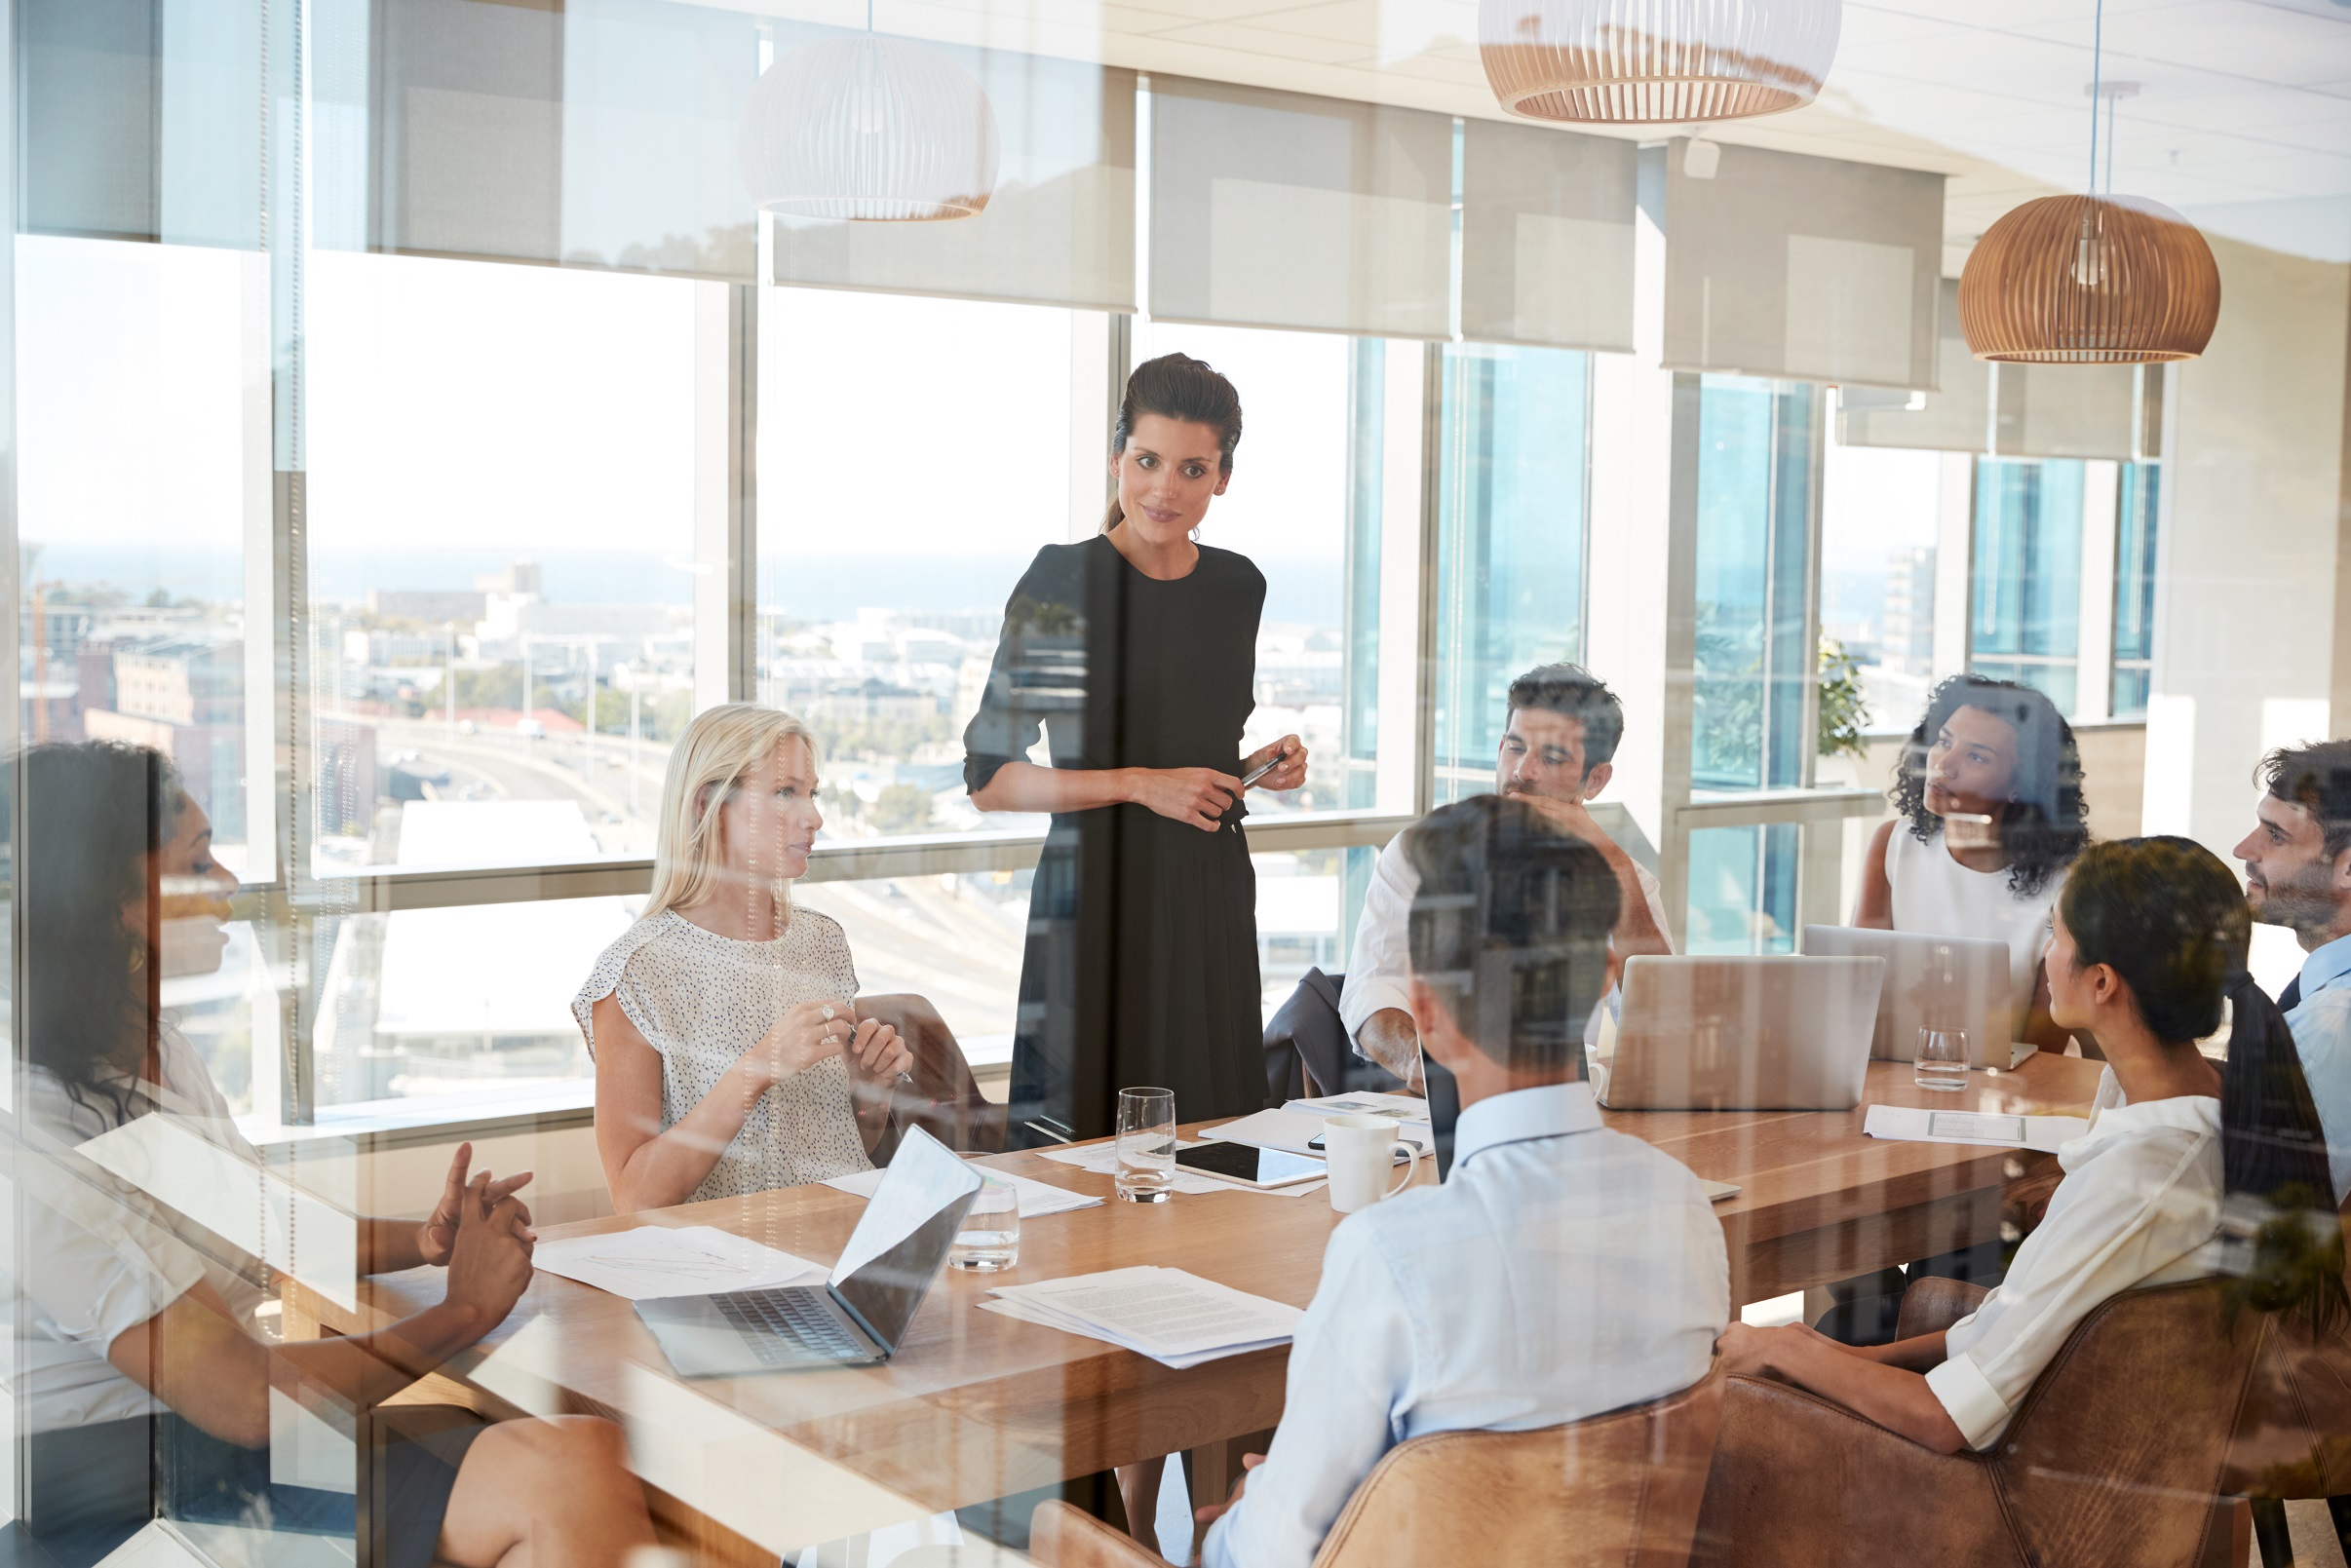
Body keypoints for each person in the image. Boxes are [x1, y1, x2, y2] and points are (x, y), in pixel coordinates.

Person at [10, 740, 657, 1567]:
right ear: (119, 906)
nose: (229, 887)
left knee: (576, 1455)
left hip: (220, 1454)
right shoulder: (37, 1129)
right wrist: (463, 1311)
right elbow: (243, 1397)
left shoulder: (150, 1053)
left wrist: (427, 1241)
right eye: (197, 861)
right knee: (566, 1475)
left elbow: (257, 1226)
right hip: (130, 1492)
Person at [1193, 795, 1730, 1568]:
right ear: (1607, 976)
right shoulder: (1684, 1210)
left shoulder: (1390, 1256)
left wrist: (1242, 1518)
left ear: (1425, 1014)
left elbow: (1270, 1555)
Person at [1718, 836, 2345, 1455]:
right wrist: (1832, 1353)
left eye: (2056, 935)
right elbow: (2010, 1324)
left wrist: (1783, 1347)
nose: (2045, 956)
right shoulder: (2205, 1098)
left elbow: (1946, 1420)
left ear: (2101, 981)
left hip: (1996, 1495)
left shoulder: (2144, 1173)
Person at [963, 353, 1307, 1147]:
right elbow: (990, 778)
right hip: (1098, 901)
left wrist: (1260, 766)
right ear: (1117, 455)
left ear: (1222, 476)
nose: (1165, 488)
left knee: (1218, 1144)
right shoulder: (1064, 584)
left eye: (1193, 468)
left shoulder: (1237, 588)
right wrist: (1141, 785)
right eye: (1147, 461)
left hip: (1209, 891)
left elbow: (1195, 747)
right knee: (1082, 1155)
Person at [578, 704, 917, 1211]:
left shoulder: (823, 942)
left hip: (844, 1241)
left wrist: (870, 1093)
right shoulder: (635, 975)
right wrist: (756, 1069)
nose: (815, 816)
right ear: (708, 804)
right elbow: (634, 1198)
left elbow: (838, 1154)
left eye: (812, 792)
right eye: (785, 792)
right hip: (726, 1270)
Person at [1342, 664, 1674, 1089]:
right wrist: (1418, 1065)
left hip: (1572, 1111)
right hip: (1443, 1111)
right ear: (1500, 747)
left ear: (1596, 779)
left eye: (1552, 756)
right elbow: (1373, 991)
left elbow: (1666, 1020)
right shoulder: (1418, 854)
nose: (1523, 772)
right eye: (1515, 748)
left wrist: (1619, 870)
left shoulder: (1629, 880)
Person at [1855, 674, 2091, 1057]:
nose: (1944, 765)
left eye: (1976, 756)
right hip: (1901, 1065)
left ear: (2022, 786)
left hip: (2019, 1080)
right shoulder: (1892, 843)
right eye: (1944, 741)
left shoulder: (2067, 884)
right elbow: (1859, 987)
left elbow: (2043, 1045)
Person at [2234, 740, 2351, 1202]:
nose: (2244, 848)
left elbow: (2258, 1197)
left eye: (2276, 836)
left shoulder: (2331, 1025)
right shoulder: (2324, 1001)